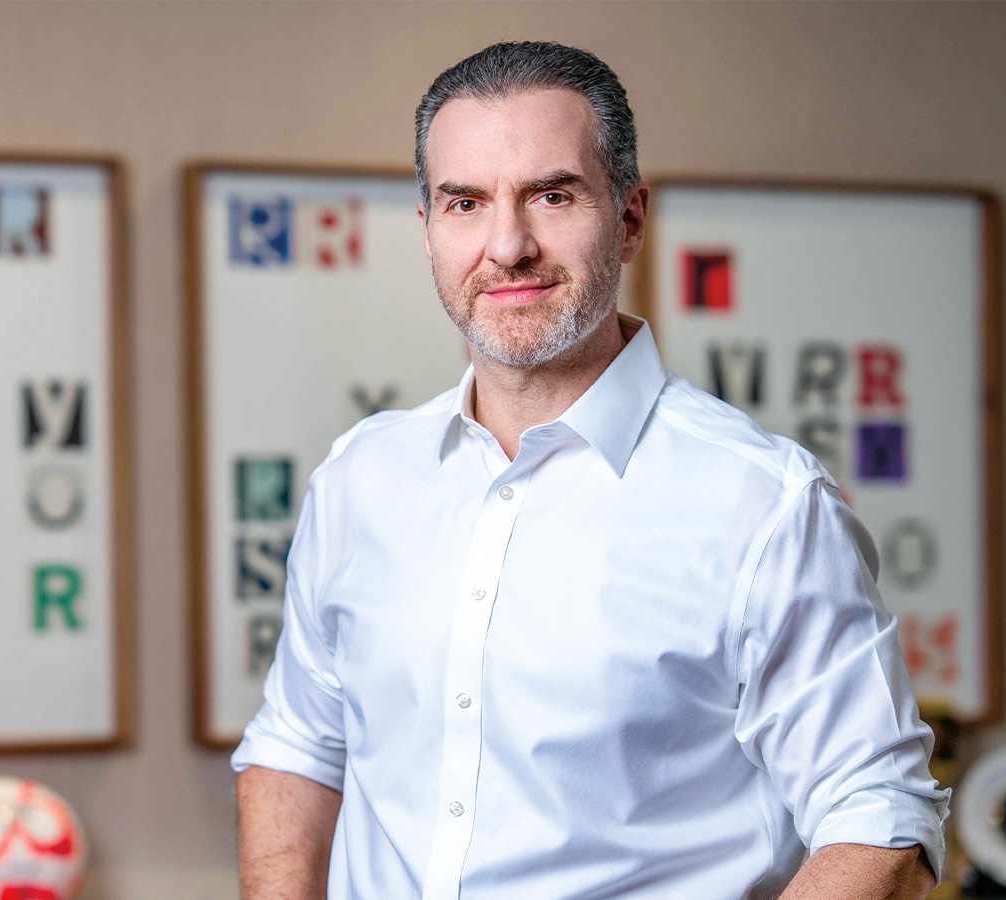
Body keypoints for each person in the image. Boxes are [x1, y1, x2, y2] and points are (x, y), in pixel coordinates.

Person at [231, 41, 949, 900]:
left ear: (630, 217)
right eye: (465, 203)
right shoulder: (359, 481)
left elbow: (880, 818)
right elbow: (298, 748)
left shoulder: (765, 504)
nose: (508, 246)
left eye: (552, 195)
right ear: (427, 229)